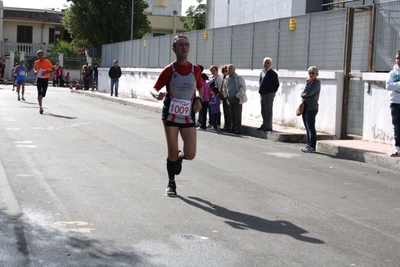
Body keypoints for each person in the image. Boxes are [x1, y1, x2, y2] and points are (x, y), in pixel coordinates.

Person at [150, 35, 203, 197]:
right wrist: (156, 95)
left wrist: (199, 99)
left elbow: (200, 88)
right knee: (171, 152)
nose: (184, 47)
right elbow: (154, 88)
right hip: (171, 115)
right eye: (180, 45)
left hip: (188, 115)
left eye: (186, 44)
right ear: (174, 49)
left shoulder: (196, 70)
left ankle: (180, 157)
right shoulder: (169, 70)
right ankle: (171, 183)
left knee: (191, 154)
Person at [300, 66, 321, 153]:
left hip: (312, 108)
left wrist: (308, 84)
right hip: (305, 107)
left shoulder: (316, 82)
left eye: (313, 73)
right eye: (310, 73)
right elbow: (302, 93)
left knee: (311, 127)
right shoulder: (308, 83)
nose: (311, 75)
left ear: (316, 74)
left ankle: (312, 145)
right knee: (306, 126)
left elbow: (308, 93)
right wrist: (307, 85)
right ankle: (308, 144)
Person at [222, 64, 247, 134]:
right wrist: (226, 95)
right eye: (228, 69)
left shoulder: (238, 77)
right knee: (231, 114)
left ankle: (237, 128)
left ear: (234, 69)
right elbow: (224, 88)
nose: (230, 70)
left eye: (231, 68)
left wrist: (237, 95)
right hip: (229, 98)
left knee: (237, 114)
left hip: (237, 98)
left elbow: (243, 88)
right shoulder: (226, 78)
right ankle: (232, 127)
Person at [257, 57, 280, 131]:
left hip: (269, 93)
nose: (266, 64)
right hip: (262, 94)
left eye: (267, 63)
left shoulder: (272, 73)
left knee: (268, 110)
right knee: (263, 109)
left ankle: (268, 126)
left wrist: (273, 92)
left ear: (270, 64)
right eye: (265, 62)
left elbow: (276, 84)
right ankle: (264, 124)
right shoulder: (262, 72)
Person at [385, 50, 400, 157]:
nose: (398, 60)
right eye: (397, 58)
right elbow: (389, 86)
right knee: (397, 127)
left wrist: (396, 86)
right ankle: (398, 149)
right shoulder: (392, 73)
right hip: (395, 103)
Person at [34, 50, 55, 114]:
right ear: (37, 56)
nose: (40, 56)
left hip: (45, 79)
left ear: (43, 55)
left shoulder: (47, 61)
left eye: (41, 55)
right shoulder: (36, 62)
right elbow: (35, 69)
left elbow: (53, 69)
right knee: (39, 93)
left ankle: (41, 98)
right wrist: (35, 71)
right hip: (39, 79)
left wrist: (47, 72)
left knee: (43, 94)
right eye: (39, 55)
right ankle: (40, 107)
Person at [219, 65, 231, 131]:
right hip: (224, 97)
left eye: (226, 71)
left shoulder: (229, 78)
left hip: (228, 97)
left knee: (229, 112)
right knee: (225, 112)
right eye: (224, 71)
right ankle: (226, 125)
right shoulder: (224, 78)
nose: (225, 72)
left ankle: (229, 126)